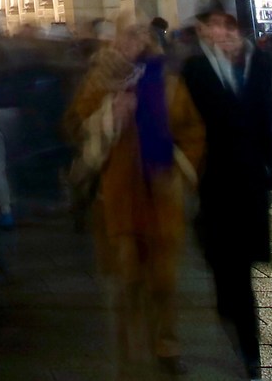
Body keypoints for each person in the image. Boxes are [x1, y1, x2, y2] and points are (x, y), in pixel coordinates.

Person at [67, 20, 205, 373]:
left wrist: (181, 171)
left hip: (161, 192)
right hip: (119, 193)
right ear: (116, 41)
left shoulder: (169, 84)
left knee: (164, 279)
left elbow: (192, 132)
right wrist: (109, 115)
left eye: (141, 36)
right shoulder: (99, 82)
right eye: (128, 36)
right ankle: (130, 341)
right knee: (127, 275)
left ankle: (167, 343)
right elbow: (74, 126)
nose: (135, 42)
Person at [178, 7, 272, 377]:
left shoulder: (258, 63)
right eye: (212, 27)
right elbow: (186, 122)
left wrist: (270, 168)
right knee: (226, 264)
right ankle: (232, 313)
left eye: (226, 26)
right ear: (202, 32)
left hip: (250, 179)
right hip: (214, 178)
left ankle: (250, 349)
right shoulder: (194, 70)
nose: (221, 33)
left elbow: (267, 115)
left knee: (241, 268)